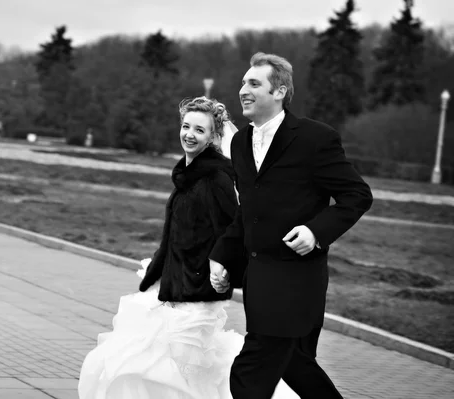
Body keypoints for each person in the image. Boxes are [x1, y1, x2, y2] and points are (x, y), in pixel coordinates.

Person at [78, 96, 298, 399]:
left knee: (180, 367)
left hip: (199, 288)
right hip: (175, 283)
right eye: (185, 126)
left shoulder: (215, 178)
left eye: (199, 130)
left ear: (213, 138)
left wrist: (222, 270)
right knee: (159, 362)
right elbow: (175, 234)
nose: (189, 134)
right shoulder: (188, 175)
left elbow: (237, 230)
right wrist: (157, 270)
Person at [209, 52, 374, 399]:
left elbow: (356, 195)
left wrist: (316, 232)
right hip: (258, 278)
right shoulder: (240, 143)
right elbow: (247, 212)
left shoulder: (315, 139)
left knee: (251, 371)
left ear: (280, 91)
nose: (243, 90)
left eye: (254, 83)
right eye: (243, 83)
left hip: (297, 280)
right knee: (295, 364)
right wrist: (222, 256)